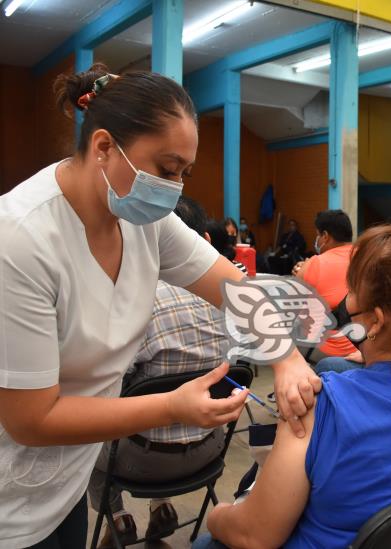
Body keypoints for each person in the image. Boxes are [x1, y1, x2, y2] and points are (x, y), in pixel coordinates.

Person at [0, 64, 318, 549]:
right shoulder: (20, 241)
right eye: (166, 169)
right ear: (104, 147)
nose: (175, 188)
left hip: (68, 484)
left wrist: (288, 359)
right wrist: (169, 406)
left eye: (184, 174)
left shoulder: (142, 218)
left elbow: (237, 289)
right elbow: (30, 419)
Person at [192, 225, 391, 549]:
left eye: (352, 289)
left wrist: (220, 515)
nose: (345, 300)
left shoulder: (321, 405)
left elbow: (254, 536)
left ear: (376, 321)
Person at [87, 196, 229, 547]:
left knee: (81, 431)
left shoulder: (131, 303)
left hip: (142, 459)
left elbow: (106, 388)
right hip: (210, 449)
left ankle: (118, 517)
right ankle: (162, 505)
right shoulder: (227, 302)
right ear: (203, 242)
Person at [292, 210, 356, 363]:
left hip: (328, 350)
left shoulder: (315, 263)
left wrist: (302, 272)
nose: (317, 240)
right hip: (366, 347)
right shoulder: (368, 258)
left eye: (317, 235)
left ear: (325, 236)